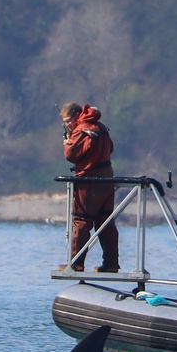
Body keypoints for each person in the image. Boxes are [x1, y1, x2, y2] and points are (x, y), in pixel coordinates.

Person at [60, 102, 118, 272]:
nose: (67, 125)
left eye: (68, 120)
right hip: (107, 180)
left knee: (81, 221)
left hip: (89, 181)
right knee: (105, 221)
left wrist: (68, 142)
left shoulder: (82, 129)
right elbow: (111, 148)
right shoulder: (101, 127)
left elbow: (71, 155)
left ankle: (76, 264)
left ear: (77, 115)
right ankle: (111, 264)